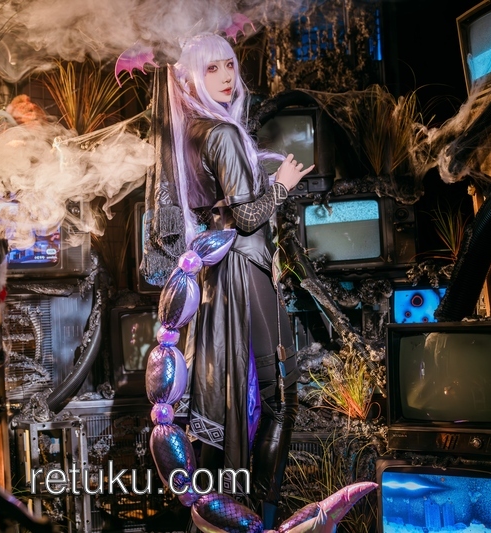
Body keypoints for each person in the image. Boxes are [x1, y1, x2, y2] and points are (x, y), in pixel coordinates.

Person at [165, 33, 313, 528]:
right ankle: (262, 518)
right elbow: (249, 218)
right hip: (243, 271)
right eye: (212, 68)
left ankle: (228, 517)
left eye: (229, 65)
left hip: (218, 276)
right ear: (191, 78)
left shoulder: (188, 133)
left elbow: (222, 212)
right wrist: (281, 186)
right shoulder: (221, 133)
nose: (227, 76)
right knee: (280, 398)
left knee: (238, 400)